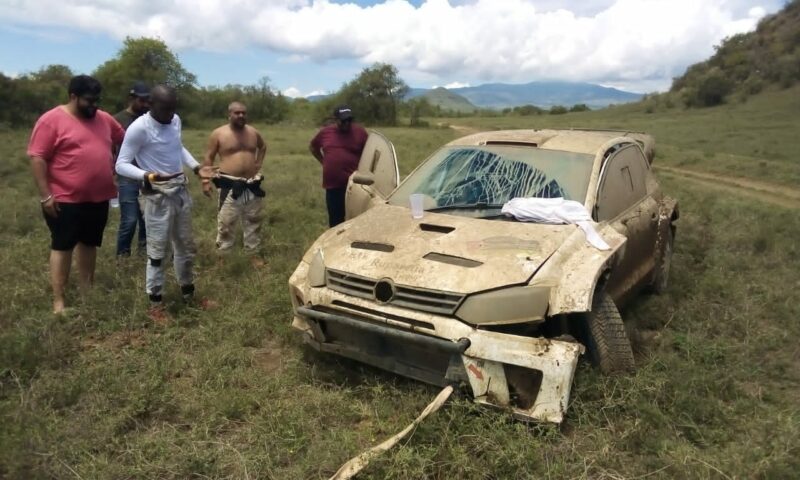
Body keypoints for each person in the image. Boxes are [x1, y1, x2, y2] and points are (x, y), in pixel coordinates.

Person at [27, 74, 126, 314]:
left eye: (97, 101)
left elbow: (124, 138)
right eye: (89, 101)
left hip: (99, 196)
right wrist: (46, 195)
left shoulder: (104, 119)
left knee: (90, 243)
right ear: (73, 96)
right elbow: (37, 157)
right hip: (64, 198)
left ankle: (87, 293)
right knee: (63, 246)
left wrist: (118, 161)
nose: (94, 106)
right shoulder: (51, 120)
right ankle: (59, 302)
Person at [115, 85, 216, 320]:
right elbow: (121, 164)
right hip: (156, 196)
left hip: (179, 191)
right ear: (150, 104)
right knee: (158, 252)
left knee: (185, 248)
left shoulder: (175, 121)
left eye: (173, 109)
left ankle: (188, 293)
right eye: (165, 109)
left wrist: (196, 167)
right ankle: (155, 303)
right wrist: (147, 176)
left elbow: (177, 147)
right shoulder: (139, 128)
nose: (170, 114)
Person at [202, 101, 267, 252]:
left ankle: (253, 252)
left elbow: (262, 147)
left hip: (252, 184)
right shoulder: (219, 133)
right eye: (237, 113)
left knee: (253, 220)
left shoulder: (253, 132)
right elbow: (208, 157)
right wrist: (206, 180)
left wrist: (258, 164)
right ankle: (224, 254)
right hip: (229, 185)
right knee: (226, 223)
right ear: (229, 115)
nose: (241, 115)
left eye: (244, 113)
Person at [309, 105, 368, 227]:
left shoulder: (360, 133)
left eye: (349, 120)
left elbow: (370, 153)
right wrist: (323, 161)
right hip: (333, 186)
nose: (347, 123)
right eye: (343, 120)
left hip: (354, 185)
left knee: (355, 221)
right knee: (336, 223)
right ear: (335, 120)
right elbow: (313, 147)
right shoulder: (325, 132)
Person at [113, 82, 150, 257]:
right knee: (129, 220)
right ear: (131, 99)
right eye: (141, 100)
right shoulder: (117, 120)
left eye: (147, 101)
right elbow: (110, 147)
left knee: (147, 220)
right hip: (126, 176)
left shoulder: (150, 119)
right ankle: (123, 257)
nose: (145, 105)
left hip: (148, 176)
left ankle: (143, 256)